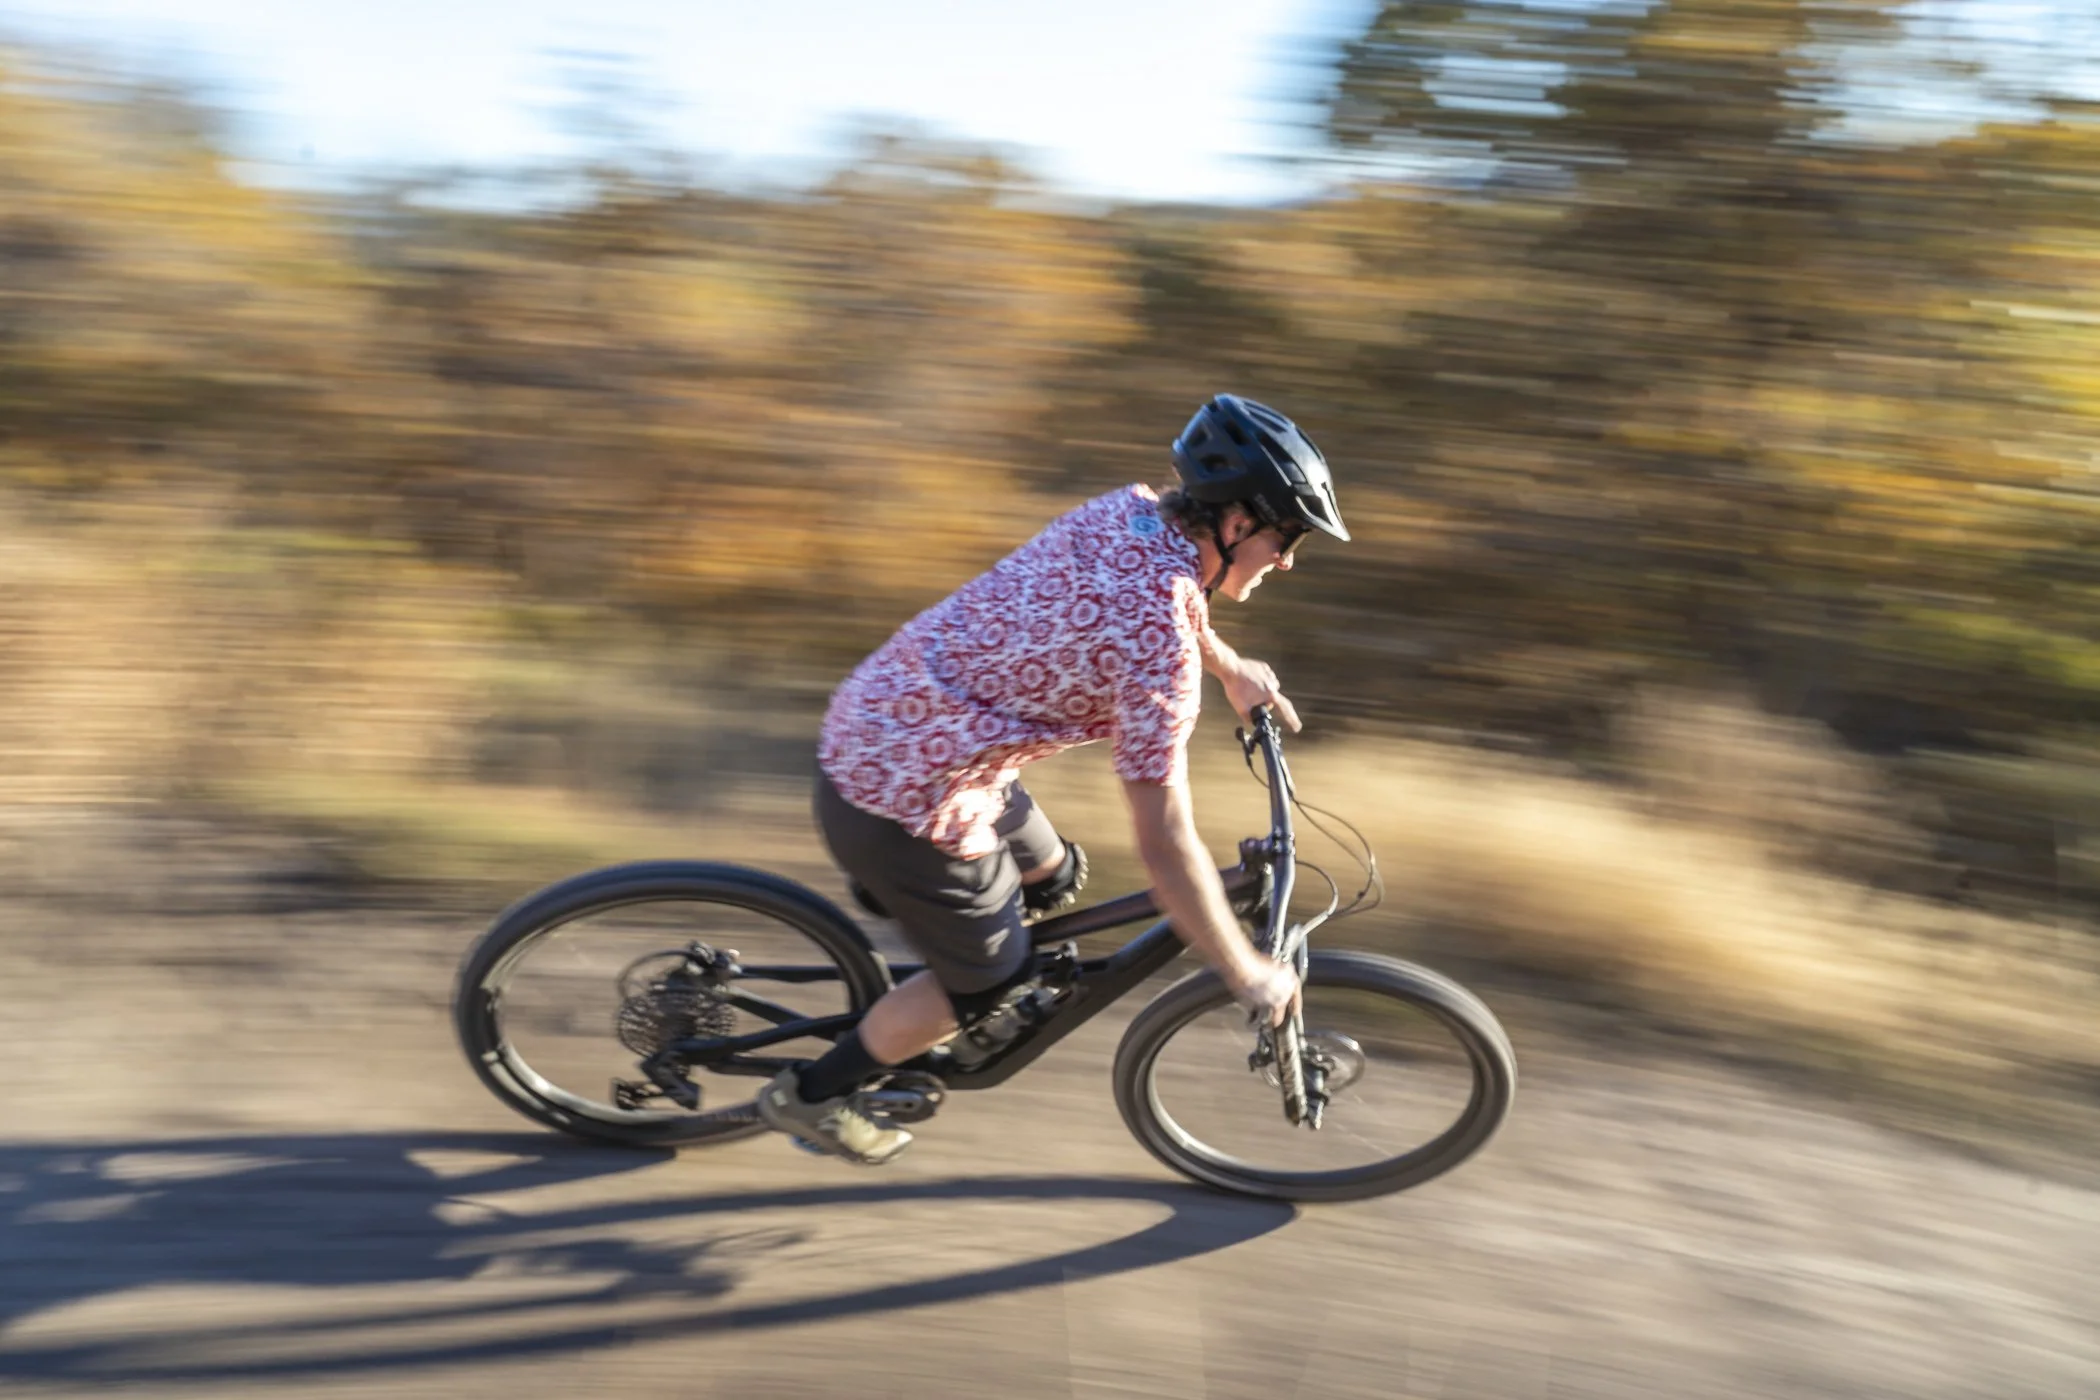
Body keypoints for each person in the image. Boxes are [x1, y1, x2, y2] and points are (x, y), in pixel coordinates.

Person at [759, 394, 1350, 1163]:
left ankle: (940, 935)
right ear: (1236, 524)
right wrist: (1243, 972)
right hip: (903, 795)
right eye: (1286, 537)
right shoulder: (1158, 652)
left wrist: (1232, 667)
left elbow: (1169, 598)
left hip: (889, 719)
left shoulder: (1132, 512)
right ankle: (815, 1095)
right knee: (990, 987)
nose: (1289, 559)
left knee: (1057, 870)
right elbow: (1165, 844)